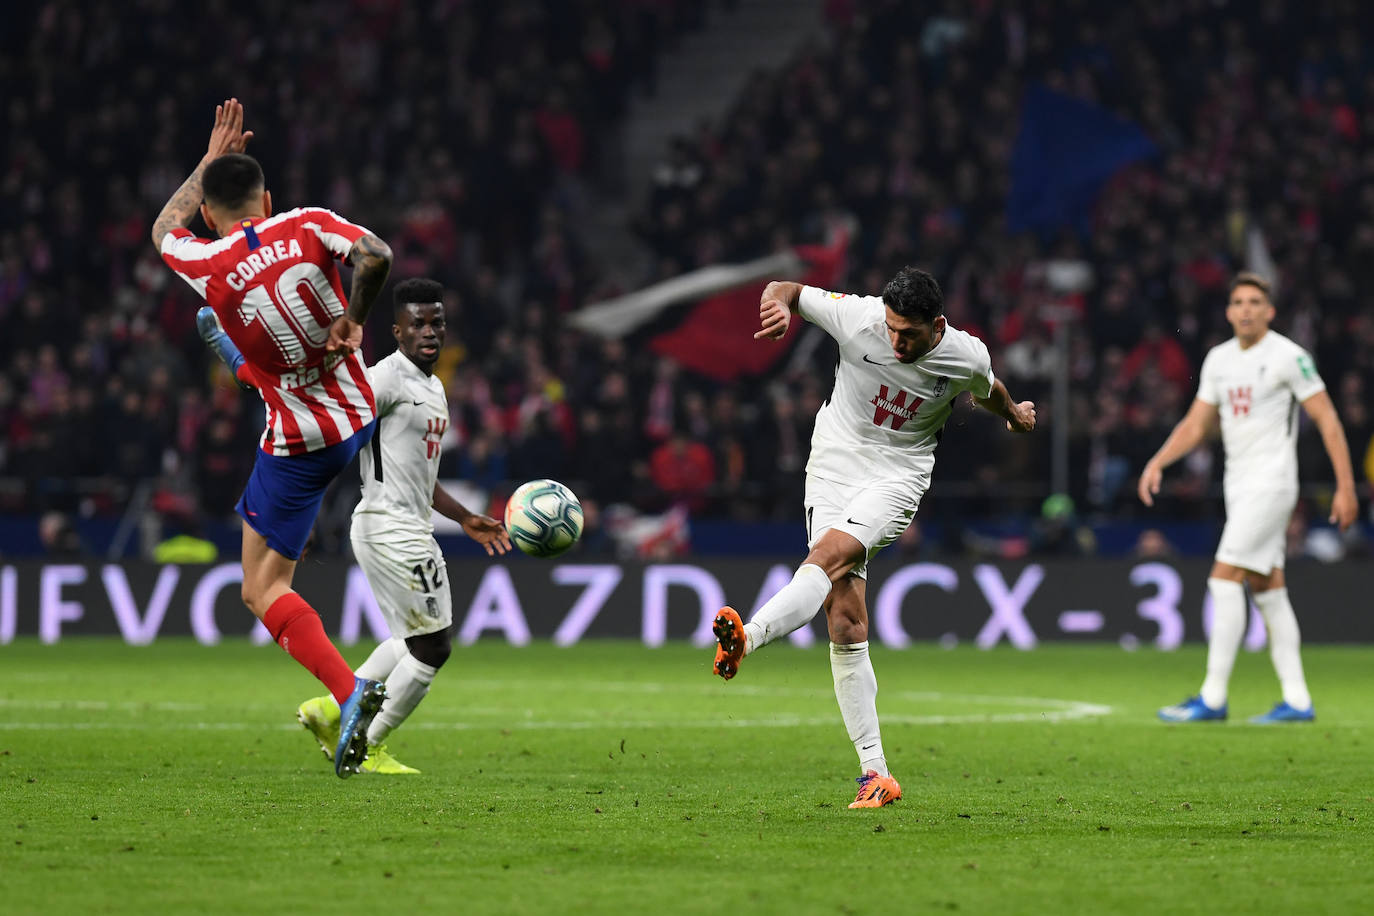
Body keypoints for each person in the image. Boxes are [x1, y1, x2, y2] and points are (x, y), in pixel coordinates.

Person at [711, 267, 1036, 808]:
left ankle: (749, 636)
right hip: (834, 461)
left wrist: (1015, 415)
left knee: (828, 555)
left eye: (908, 333)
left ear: (938, 326)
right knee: (845, 617)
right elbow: (786, 288)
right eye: (890, 329)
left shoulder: (965, 354)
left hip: (898, 474)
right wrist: (778, 307)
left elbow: (990, 389)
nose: (895, 341)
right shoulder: (859, 316)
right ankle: (876, 773)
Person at [153, 99, 395, 777]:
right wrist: (352, 318)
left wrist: (205, 162)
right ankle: (233, 353)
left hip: (299, 439)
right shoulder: (311, 223)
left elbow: (161, 229)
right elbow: (376, 255)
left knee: (261, 589)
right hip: (354, 411)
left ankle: (350, 695)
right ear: (270, 198)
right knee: (263, 365)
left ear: (210, 212)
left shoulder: (204, 259)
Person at [293, 279, 512, 773]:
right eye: (418, 324)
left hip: (407, 524)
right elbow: (337, 442)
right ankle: (365, 743)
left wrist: (464, 518)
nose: (429, 332)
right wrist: (303, 511)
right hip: (389, 526)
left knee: (408, 640)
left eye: (437, 322)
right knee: (433, 648)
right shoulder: (384, 380)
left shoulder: (433, 389)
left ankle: (330, 710)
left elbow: (421, 477)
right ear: (398, 331)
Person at [1138, 272, 1358, 724]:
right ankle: (1297, 700)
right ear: (1228, 311)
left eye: (1256, 301)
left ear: (1270, 311)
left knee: (1223, 578)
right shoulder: (1219, 359)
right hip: (1239, 486)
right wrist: (1159, 461)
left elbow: (1329, 420)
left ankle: (1213, 697)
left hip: (1273, 483)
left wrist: (1346, 486)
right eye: (1238, 301)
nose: (1246, 309)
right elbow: (1196, 424)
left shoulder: (1289, 357)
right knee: (1267, 588)